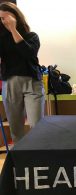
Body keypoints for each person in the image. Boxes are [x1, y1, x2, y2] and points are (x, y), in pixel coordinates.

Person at [0, 2, 44, 143]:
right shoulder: (1, 39)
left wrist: (13, 29)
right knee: (15, 128)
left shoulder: (32, 36)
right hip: (10, 83)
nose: (4, 21)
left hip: (32, 83)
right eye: (1, 18)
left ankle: (38, 160)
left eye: (7, 17)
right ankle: (19, 162)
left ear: (16, 16)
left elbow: (27, 53)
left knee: (37, 126)